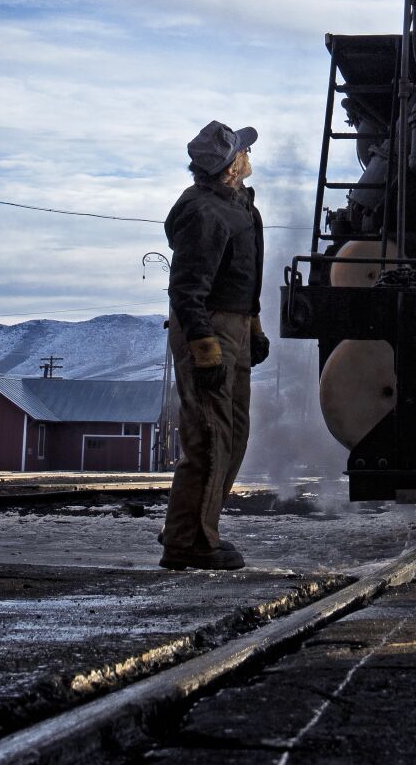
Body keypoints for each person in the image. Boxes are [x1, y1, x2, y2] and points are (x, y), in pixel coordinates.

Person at [159, 120, 270, 570]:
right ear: (231, 165)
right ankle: (189, 542)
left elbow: (242, 278)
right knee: (210, 436)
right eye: (243, 151)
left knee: (234, 434)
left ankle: (189, 527)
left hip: (235, 327)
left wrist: (255, 327)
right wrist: (205, 348)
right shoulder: (203, 212)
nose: (249, 156)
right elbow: (186, 289)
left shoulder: (239, 206)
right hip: (208, 329)